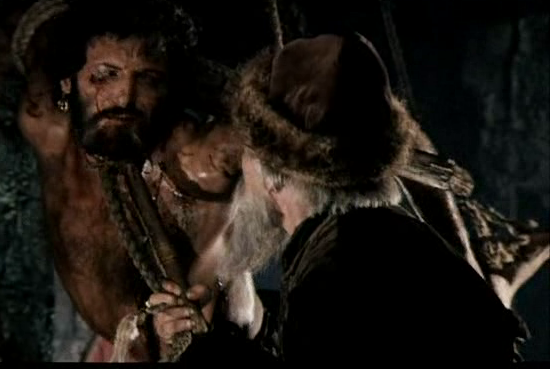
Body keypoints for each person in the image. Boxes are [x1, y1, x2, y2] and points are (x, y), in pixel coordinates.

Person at [147, 33, 525, 363]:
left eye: (248, 151)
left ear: (273, 171)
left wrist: (203, 353)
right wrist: (217, 336)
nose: (243, 170)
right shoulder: (378, 241)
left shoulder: (340, 273)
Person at [0, 0, 271, 362]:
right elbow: (37, 31)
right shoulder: (48, 124)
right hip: (114, 341)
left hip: (223, 351)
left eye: (148, 80)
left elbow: (268, 133)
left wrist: (188, 314)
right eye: (104, 75)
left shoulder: (195, 161)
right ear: (68, 81)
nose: (124, 97)